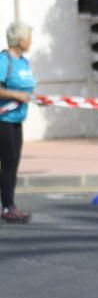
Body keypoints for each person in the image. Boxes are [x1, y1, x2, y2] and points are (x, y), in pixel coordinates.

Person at [0, 21, 36, 224]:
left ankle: (9, 204)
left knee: (12, 163)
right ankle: (7, 207)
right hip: (2, 119)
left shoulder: (24, 61)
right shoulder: (4, 61)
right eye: (29, 37)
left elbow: (27, 90)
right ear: (20, 40)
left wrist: (38, 99)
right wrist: (15, 94)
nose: (31, 41)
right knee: (7, 163)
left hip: (17, 119)